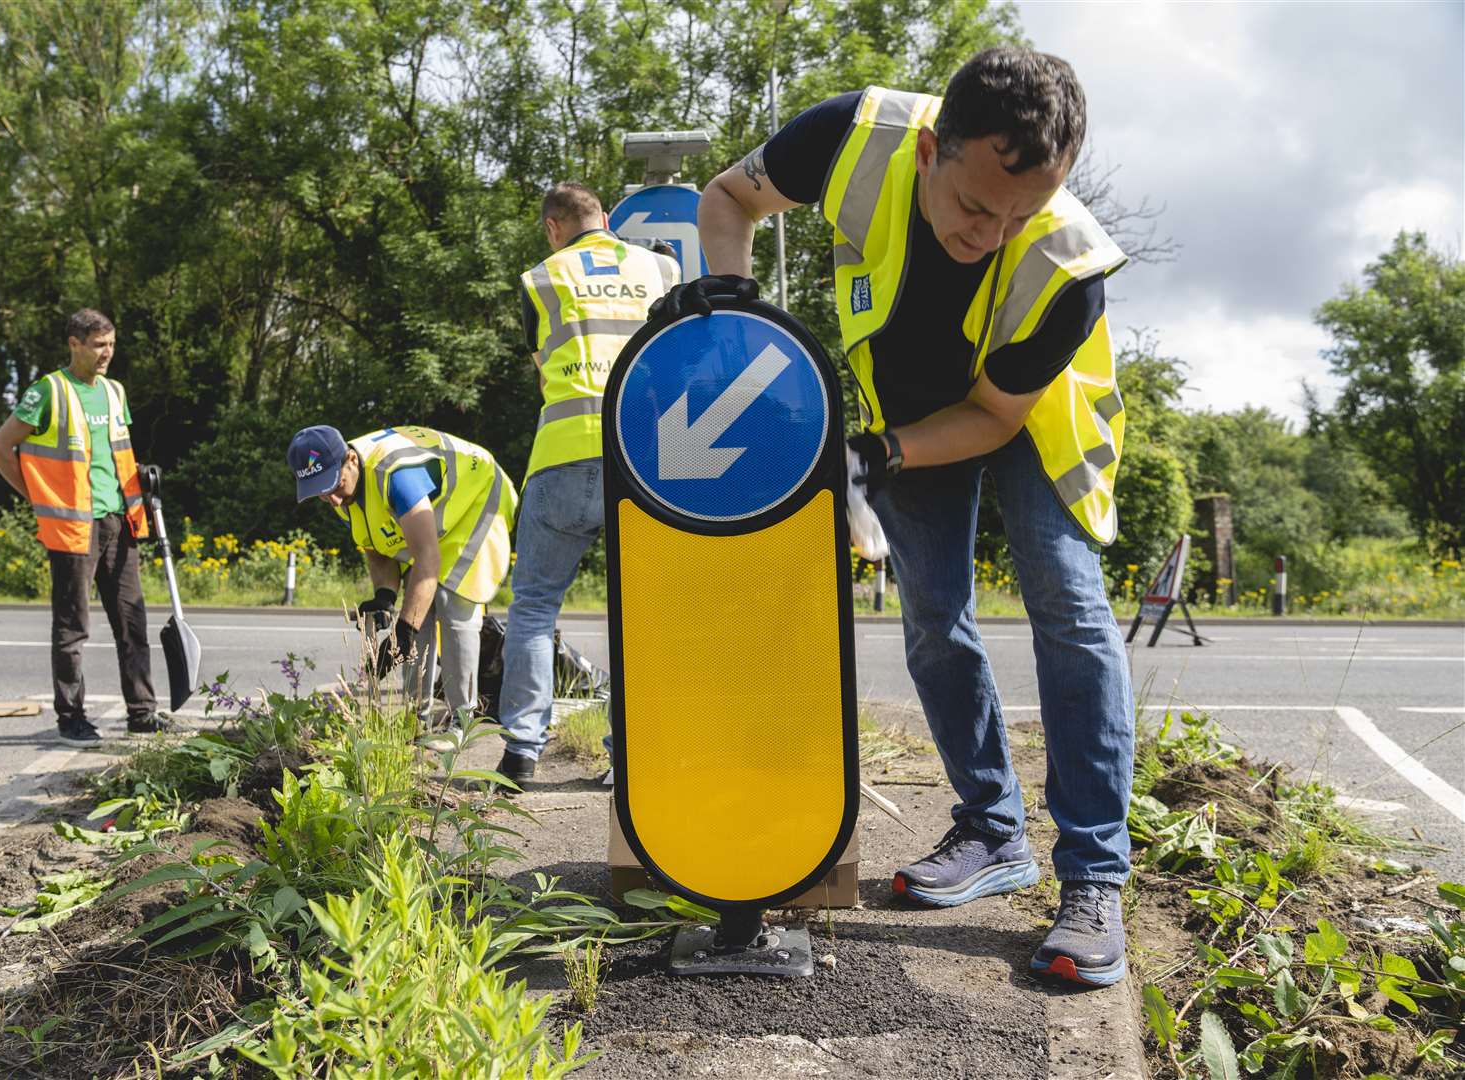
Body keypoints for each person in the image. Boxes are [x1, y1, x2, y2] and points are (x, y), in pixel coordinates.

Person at [655, 47, 1135, 987]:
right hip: (909, 407)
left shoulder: (1070, 272)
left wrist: (876, 457)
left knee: (1067, 610)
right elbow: (726, 201)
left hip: (1027, 415)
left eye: (1021, 215)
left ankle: (1093, 878)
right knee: (933, 626)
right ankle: (993, 832)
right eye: (974, 206)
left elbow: (996, 416)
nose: (992, 236)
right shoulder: (851, 139)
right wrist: (735, 307)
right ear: (928, 150)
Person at [496, 183, 679, 791]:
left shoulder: (540, 278)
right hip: (645, 457)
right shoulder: (661, 267)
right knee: (641, 614)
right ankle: (629, 755)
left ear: (554, 227)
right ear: (605, 217)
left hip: (564, 455)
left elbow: (542, 367)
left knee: (533, 608)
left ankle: (521, 752)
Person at [0, 308, 165, 746]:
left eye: (111, 345)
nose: (107, 353)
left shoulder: (114, 392)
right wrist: (39, 494)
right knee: (72, 627)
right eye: (99, 345)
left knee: (132, 623)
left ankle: (142, 713)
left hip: (119, 521)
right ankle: (71, 718)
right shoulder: (49, 391)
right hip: (73, 527)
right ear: (74, 344)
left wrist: (140, 477)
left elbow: (113, 453)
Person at [287, 424, 517, 726]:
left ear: (351, 461)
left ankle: (462, 721)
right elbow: (375, 545)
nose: (332, 500)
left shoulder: (397, 477)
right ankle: (416, 719)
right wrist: (385, 597)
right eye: (321, 491)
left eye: (334, 485)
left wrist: (404, 630)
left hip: (477, 499)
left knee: (452, 605)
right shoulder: (342, 488)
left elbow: (427, 558)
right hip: (434, 524)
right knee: (417, 610)